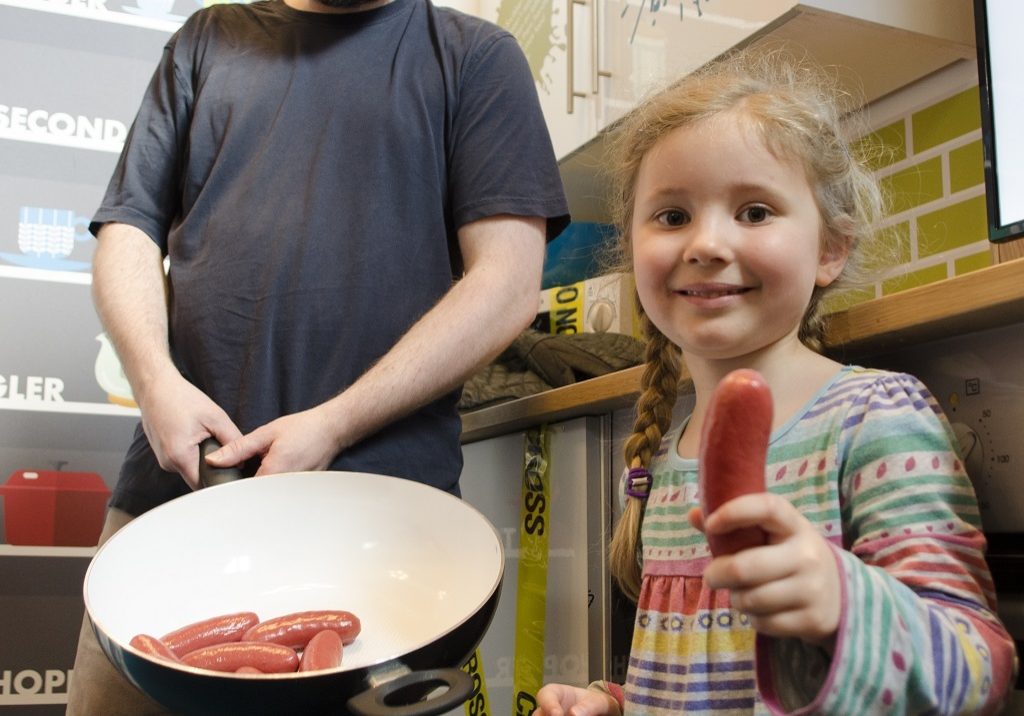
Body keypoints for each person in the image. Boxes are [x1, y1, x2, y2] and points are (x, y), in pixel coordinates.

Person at [67, 0, 569, 711]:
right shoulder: (206, 40)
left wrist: (334, 423)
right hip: (174, 500)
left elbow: (509, 282)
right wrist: (153, 383)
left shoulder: (477, 57)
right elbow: (128, 231)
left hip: (381, 532)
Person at [533, 49, 1017, 715]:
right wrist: (616, 702)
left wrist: (841, 602)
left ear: (829, 249)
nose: (705, 242)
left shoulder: (875, 418)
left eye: (755, 211)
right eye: (672, 216)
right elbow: (703, 681)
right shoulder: (659, 460)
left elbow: (980, 670)